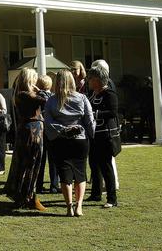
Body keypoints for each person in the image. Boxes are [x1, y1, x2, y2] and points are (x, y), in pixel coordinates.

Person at [44, 69, 95, 217]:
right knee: (80, 173)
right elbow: (89, 120)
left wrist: (63, 129)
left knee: (65, 175)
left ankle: (69, 207)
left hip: (60, 141)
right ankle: (79, 206)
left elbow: (48, 122)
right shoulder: (82, 98)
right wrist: (91, 134)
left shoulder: (52, 100)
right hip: (80, 140)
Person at [4, 68, 47, 211]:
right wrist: (40, 90)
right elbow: (47, 99)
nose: (37, 82)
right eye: (34, 79)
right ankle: (27, 196)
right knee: (31, 163)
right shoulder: (26, 94)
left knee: (26, 163)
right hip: (32, 132)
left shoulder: (19, 93)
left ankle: (26, 195)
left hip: (27, 130)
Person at [87, 66, 120, 208]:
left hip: (105, 135)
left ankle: (112, 198)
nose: (89, 81)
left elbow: (112, 112)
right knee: (94, 165)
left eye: (91, 79)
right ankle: (95, 194)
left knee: (106, 166)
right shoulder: (93, 94)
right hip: (94, 135)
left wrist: (94, 114)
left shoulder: (109, 94)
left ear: (98, 80)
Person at [35, 74, 59, 194]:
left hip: (41, 130)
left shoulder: (36, 97)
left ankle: (38, 185)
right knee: (53, 159)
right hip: (51, 129)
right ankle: (54, 185)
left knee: (41, 159)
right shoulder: (53, 97)